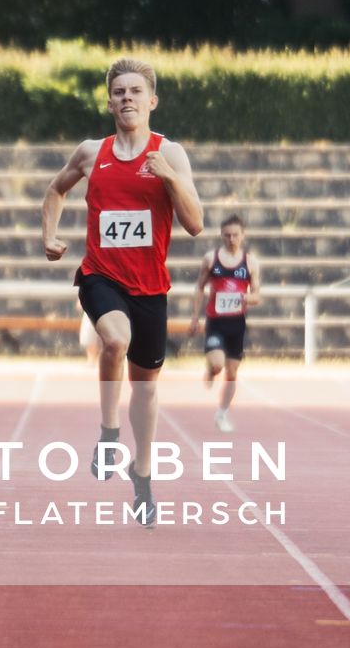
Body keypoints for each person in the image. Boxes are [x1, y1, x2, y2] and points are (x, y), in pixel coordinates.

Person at [41, 57, 204, 529]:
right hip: (100, 275)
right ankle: (109, 432)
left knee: (147, 392)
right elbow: (55, 191)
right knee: (114, 340)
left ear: (152, 101)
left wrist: (169, 178)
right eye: (119, 92)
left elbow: (194, 225)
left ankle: (143, 473)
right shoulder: (92, 153)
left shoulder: (170, 153)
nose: (127, 98)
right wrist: (48, 236)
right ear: (109, 101)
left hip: (150, 286)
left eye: (136, 91)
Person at [189, 214, 261, 433]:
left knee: (231, 374)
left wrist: (247, 297)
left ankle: (222, 413)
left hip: (237, 324)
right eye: (227, 235)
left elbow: (257, 295)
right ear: (221, 235)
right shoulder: (211, 259)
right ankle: (211, 368)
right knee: (219, 364)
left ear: (243, 235)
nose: (231, 239)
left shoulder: (250, 262)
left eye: (235, 235)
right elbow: (200, 287)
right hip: (216, 322)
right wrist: (195, 317)